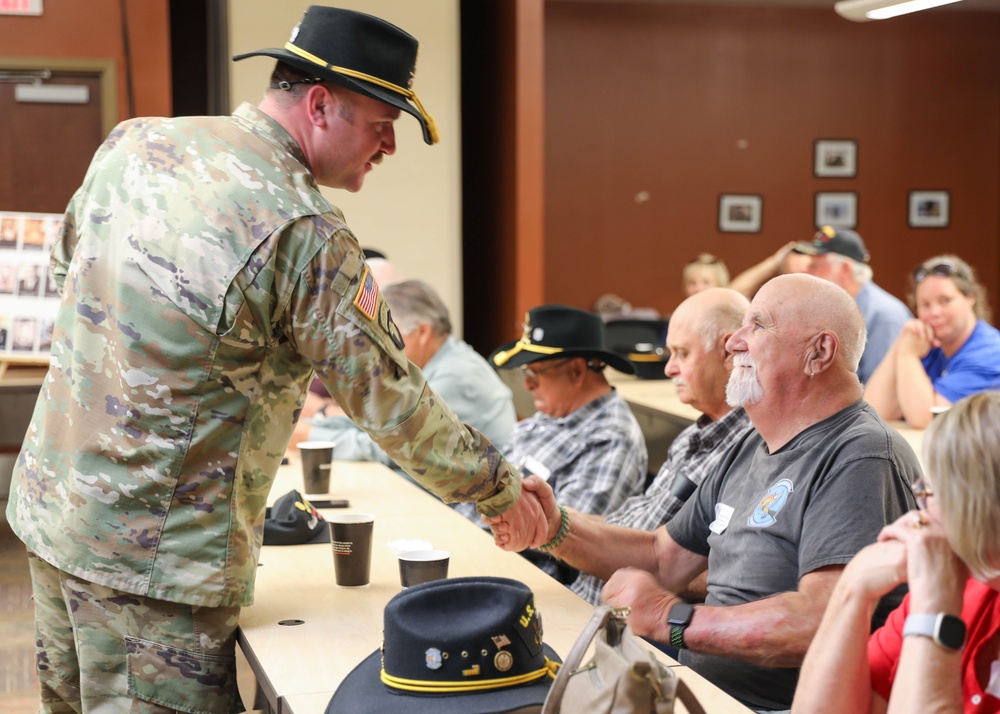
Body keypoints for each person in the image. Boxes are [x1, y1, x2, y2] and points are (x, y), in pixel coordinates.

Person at [5, 7, 544, 712]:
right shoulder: (304, 229)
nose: (389, 148)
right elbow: (393, 405)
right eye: (382, 126)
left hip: (53, 516)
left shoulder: (135, 144)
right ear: (320, 104)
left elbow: (66, 270)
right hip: (155, 563)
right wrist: (502, 492)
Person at [492, 274, 922, 712]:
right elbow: (663, 557)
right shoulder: (753, 441)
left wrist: (673, 620)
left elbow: (821, 620)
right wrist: (555, 528)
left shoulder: (862, 456)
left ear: (820, 352)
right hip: (696, 685)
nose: (735, 341)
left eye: (758, 325)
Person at [792, 391, 1000, 714]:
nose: (922, 505)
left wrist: (933, 615)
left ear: (983, 511)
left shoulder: (941, 588)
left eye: (932, 490)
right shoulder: (966, 579)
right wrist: (853, 589)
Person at [570, 287, 753, 606]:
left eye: (682, 353)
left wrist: (562, 535)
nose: (669, 368)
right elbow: (635, 525)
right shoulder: (691, 436)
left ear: (729, 351)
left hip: (624, 621)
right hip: (589, 597)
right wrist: (569, 525)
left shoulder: (752, 449)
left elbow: (734, 575)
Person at [459, 305, 648, 579]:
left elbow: (567, 542)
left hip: (523, 576)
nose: (527, 385)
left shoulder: (611, 439)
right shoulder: (551, 413)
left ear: (575, 371)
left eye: (535, 373)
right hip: (479, 548)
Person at [308, 278, 517, 462]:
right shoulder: (438, 362)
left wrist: (311, 436)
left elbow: (395, 447)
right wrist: (317, 423)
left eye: (387, 335)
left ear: (423, 331)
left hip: (467, 504)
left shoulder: (456, 375)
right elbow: (382, 425)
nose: (379, 347)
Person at [864, 254, 1000, 429]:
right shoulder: (928, 344)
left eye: (945, 301)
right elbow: (875, 410)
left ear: (970, 298)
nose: (934, 312)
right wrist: (902, 341)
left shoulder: (990, 353)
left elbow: (927, 419)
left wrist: (908, 355)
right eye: (925, 304)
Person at [795, 226, 911, 384]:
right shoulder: (831, 309)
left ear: (844, 269)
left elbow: (880, 394)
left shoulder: (885, 317)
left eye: (814, 266)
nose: (806, 272)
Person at [729, 241, 811, 299]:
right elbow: (732, 296)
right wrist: (774, 262)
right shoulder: (778, 303)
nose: (801, 280)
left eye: (811, 267)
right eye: (792, 275)